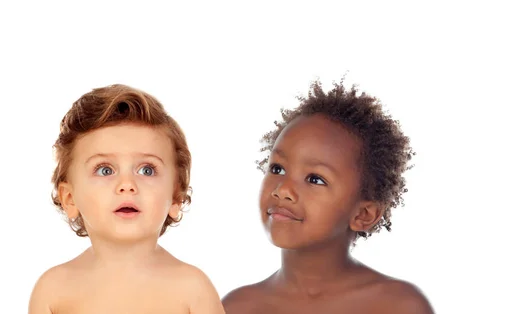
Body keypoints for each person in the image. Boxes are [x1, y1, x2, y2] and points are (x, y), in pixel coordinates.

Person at [222, 79, 434, 313]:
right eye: (277, 169)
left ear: (363, 214)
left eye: (315, 179)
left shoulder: (396, 305)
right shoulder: (237, 306)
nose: (282, 190)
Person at [28, 84, 224, 314]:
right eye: (105, 170)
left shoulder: (193, 290)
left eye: (147, 170)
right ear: (70, 198)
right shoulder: (54, 291)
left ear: (175, 197)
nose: (127, 185)